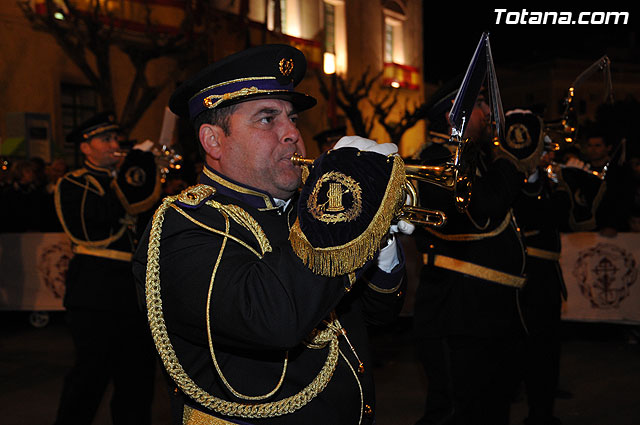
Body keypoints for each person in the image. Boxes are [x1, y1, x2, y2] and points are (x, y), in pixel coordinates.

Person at [132, 44, 409, 425]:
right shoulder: (183, 227)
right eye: (267, 119)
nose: (292, 133)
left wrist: (381, 232)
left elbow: (380, 313)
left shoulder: (302, 208)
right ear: (213, 141)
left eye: (292, 118)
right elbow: (273, 319)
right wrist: (343, 213)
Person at [412, 84, 528, 425]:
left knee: (493, 409)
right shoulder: (436, 161)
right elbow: (483, 211)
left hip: (489, 312)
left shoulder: (475, 161)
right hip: (456, 314)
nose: (490, 113)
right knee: (453, 413)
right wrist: (510, 159)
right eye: (479, 104)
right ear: (454, 114)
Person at [53, 112, 163, 425]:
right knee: (89, 379)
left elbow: (149, 223)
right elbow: (95, 221)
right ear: (85, 148)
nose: (114, 144)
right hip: (95, 294)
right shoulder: (73, 183)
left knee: (137, 381)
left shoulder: (127, 180)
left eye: (115, 138)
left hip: (133, 294)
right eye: (105, 139)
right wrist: (135, 172)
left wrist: (146, 175)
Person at [508, 110, 571, 425]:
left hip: (545, 278)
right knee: (525, 349)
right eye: (541, 147)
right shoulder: (519, 181)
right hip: (526, 277)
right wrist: (554, 186)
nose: (547, 153)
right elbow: (539, 216)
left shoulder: (546, 178)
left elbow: (570, 218)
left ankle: (541, 412)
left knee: (546, 350)